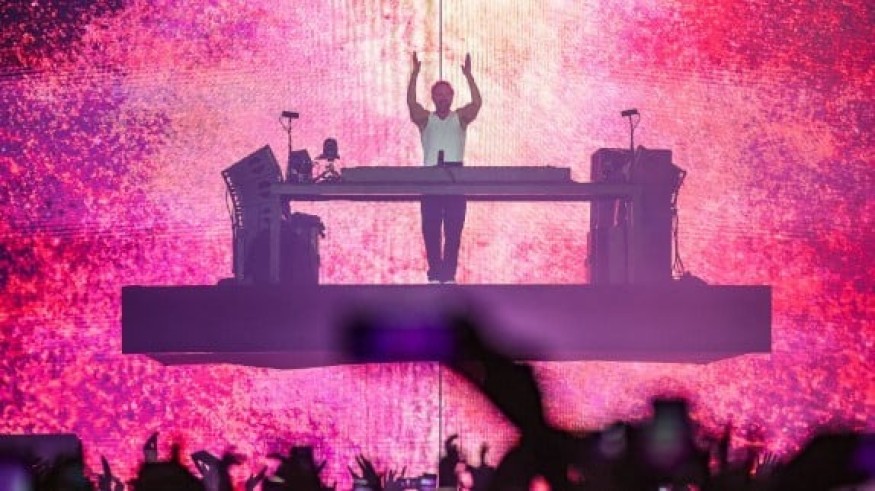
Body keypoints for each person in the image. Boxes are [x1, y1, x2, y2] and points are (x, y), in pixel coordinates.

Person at [407, 52, 482, 284]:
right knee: (430, 229)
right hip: (430, 178)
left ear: (451, 96)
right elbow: (411, 104)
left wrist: (469, 76)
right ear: (433, 97)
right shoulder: (425, 119)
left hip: (455, 178)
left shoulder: (459, 118)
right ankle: (434, 273)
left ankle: (448, 275)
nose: (442, 98)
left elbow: (476, 104)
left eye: (445, 94)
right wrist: (415, 74)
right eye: (438, 94)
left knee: (453, 230)